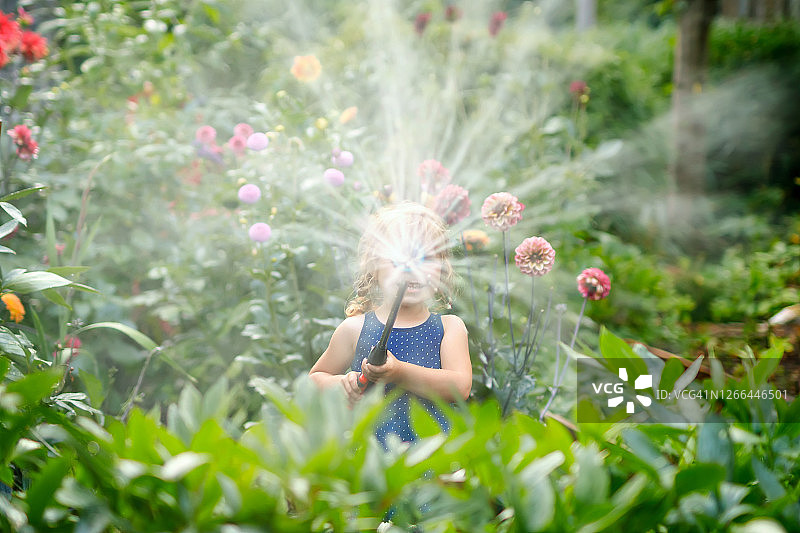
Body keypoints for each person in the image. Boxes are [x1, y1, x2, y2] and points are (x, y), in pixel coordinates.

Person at [309, 201, 472, 447]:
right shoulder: (354, 329)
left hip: (434, 459)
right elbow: (315, 378)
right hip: (370, 458)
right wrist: (341, 384)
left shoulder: (449, 328)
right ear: (374, 266)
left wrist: (399, 372)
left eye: (425, 258)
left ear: (441, 268)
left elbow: (460, 387)